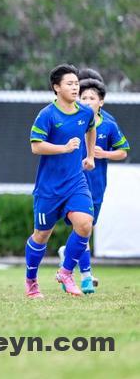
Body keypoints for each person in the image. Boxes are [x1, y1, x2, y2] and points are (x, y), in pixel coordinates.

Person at [25, 64, 96, 298]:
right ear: (56, 87)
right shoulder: (47, 115)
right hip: (49, 189)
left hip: (76, 182)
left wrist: (90, 156)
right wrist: (63, 148)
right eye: (70, 84)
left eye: (77, 83)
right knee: (41, 236)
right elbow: (36, 146)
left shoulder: (85, 112)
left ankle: (66, 273)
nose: (75, 88)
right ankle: (31, 281)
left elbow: (91, 128)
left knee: (85, 224)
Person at [57, 73, 129, 293]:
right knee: (83, 228)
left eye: (91, 98)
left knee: (86, 229)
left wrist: (104, 154)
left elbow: (123, 151)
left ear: (101, 101)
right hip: (73, 184)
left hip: (97, 185)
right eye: (83, 97)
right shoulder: (70, 119)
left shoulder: (108, 124)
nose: (87, 101)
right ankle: (86, 276)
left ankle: (67, 256)